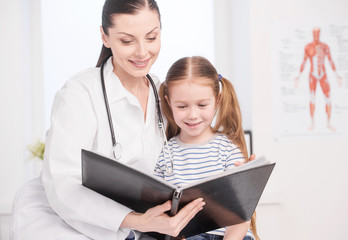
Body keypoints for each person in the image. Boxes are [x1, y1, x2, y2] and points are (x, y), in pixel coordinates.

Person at [12, 1, 205, 240]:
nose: (142, 52)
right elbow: (64, 185)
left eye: (151, 37)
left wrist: (234, 167)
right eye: (127, 41)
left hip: (145, 226)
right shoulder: (80, 93)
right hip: (70, 223)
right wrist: (138, 221)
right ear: (105, 36)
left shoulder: (164, 92)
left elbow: (190, 145)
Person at [154, 56, 258, 240]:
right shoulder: (164, 153)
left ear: (217, 100)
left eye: (202, 105)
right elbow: (158, 210)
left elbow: (241, 217)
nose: (193, 115)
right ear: (169, 102)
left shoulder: (227, 150)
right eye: (182, 106)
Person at [294, 27, 342, 131]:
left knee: (328, 98)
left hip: (323, 74)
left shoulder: (325, 47)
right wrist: (298, 76)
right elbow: (304, 62)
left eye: (317, 34)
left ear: (319, 34)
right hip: (313, 75)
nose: (316, 36)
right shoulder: (308, 47)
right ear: (312, 34)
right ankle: (312, 122)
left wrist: (337, 75)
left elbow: (330, 61)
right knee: (312, 98)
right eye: (314, 34)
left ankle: (329, 122)